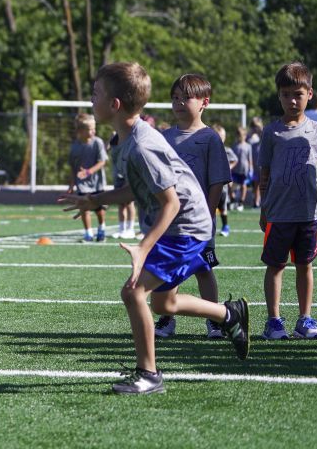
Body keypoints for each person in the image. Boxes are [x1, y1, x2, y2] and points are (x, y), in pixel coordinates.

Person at [60, 62, 249, 394]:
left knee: (133, 292)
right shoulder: (126, 140)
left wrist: (142, 248)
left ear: (115, 104)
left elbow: (171, 203)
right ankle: (228, 314)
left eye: (95, 94)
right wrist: (97, 199)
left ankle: (149, 374)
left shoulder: (144, 145)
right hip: (178, 225)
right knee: (164, 305)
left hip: (185, 227)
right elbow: (139, 188)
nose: (91, 100)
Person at [152, 74, 233, 340]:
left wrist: (208, 215)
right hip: (171, 221)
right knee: (166, 270)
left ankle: (214, 320)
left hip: (199, 222)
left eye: (186, 98)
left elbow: (217, 182)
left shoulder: (210, 138)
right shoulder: (164, 137)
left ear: (204, 103)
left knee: (203, 269)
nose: (178, 102)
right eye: (175, 97)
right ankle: (167, 318)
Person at [258, 62, 317, 340]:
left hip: (308, 213)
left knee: (305, 265)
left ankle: (305, 318)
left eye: (298, 94)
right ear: (279, 95)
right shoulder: (271, 132)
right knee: (275, 266)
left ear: (309, 94)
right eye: (286, 94)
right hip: (279, 212)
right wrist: (264, 207)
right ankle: (274, 320)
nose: (292, 100)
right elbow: (264, 173)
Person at [67, 113, 108, 242]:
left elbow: (102, 162)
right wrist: (72, 184)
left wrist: (89, 172)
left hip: (97, 183)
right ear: (80, 131)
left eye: (94, 128)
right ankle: (88, 234)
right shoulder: (74, 147)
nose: (93, 131)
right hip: (82, 184)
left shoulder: (98, 143)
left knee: (99, 208)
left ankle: (101, 228)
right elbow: (73, 167)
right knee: (84, 207)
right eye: (90, 129)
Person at [230, 125, 253, 211]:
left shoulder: (248, 146)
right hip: (235, 169)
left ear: (245, 135)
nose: (240, 137)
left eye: (241, 135)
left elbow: (249, 159)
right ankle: (232, 200)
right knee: (231, 185)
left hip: (244, 170)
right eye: (238, 135)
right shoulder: (234, 146)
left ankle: (241, 202)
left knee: (243, 185)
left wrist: (251, 170)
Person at [248, 116, 264, 210]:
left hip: (262, 161)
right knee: (256, 183)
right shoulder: (250, 136)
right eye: (253, 126)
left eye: (256, 126)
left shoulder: (263, 133)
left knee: (262, 183)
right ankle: (256, 201)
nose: (255, 128)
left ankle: (261, 201)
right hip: (254, 162)